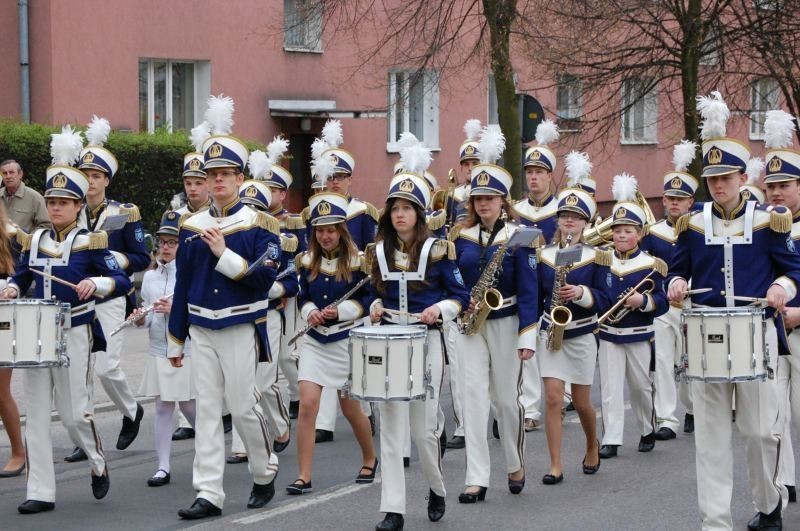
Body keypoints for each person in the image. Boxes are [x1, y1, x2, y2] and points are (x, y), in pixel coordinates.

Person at [667, 92, 800, 530]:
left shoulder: (769, 220)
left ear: (744, 176)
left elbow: (793, 270)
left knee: (762, 434)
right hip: (706, 340)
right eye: (712, 178)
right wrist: (677, 283)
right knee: (710, 440)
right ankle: (716, 522)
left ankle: (768, 504)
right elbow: (678, 269)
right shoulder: (692, 224)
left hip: (758, 337)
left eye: (726, 177)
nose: (718, 185)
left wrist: (781, 289)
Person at [1, 126, 132, 513]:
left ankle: (96, 460)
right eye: (53, 201)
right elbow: (23, 276)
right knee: (37, 416)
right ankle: (40, 491)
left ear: (78, 207)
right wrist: (11, 288)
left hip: (76, 332)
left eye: (64, 202)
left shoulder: (91, 242)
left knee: (75, 416)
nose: (56, 207)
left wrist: (97, 282)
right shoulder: (36, 240)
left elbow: (122, 280)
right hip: (37, 334)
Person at [168, 95, 281, 519]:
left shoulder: (258, 223)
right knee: (209, 412)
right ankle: (209, 493)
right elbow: (183, 285)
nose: (217, 181)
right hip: (201, 328)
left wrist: (223, 254)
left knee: (244, 406)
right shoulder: (190, 225)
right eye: (211, 174)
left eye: (224, 174)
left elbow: (265, 276)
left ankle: (263, 469)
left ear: (239, 177)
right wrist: (175, 338)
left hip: (239, 326)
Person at [368, 165, 469, 531]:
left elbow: (461, 297)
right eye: (395, 208)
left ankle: (437, 488)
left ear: (419, 214)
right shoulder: (378, 252)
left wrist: (438, 310)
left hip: (427, 342)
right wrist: (374, 307)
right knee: (391, 428)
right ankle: (393, 508)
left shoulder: (440, 250)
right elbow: (371, 295)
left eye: (407, 208)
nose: (399, 214)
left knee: (424, 431)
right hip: (392, 342)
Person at [451, 125, 538, 503]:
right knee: (473, 398)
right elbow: (451, 278)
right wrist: (459, 302)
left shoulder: (523, 236)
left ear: (504, 200)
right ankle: (476, 477)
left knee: (505, 400)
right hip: (471, 326)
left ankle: (515, 463)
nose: (483, 203)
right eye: (478, 198)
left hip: (506, 322)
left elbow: (532, 289)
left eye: (490, 198)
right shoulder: (460, 237)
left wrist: (528, 336)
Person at [66, 116, 148, 463]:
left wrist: (112, 259)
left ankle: (132, 412)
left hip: (111, 298)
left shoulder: (124, 213)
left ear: (107, 180)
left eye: (96, 177)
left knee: (106, 368)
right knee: (80, 372)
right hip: (78, 299)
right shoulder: (71, 213)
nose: (90, 183)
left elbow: (142, 256)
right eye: (85, 177)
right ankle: (85, 436)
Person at [288, 191, 376, 495]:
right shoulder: (306, 259)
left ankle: (369, 458)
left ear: (341, 229)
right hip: (315, 341)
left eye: (331, 229)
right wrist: (310, 312)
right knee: (308, 406)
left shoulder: (359, 262)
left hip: (345, 340)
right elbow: (303, 296)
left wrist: (341, 311)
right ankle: (304, 475)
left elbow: (368, 299)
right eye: (320, 230)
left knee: (350, 408)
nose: (325, 236)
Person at [304, 120, 378, 444]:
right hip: (325, 284)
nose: (334, 182)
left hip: (357, 284)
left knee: (359, 358)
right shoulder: (315, 210)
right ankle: (324, 422)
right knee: (320, 346)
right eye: (330, 177)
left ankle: (368, 411)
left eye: (340, 177)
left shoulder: (363, 210)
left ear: (350, 179)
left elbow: (372, 252)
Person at [536, 187, 608, 484]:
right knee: (553, 399)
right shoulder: (543, 256)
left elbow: (605, 298)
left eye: (575, 217)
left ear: (585, 223)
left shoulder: (597, 257)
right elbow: (535, 295)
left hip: (580, 334)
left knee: (581, 402)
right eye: (564, 215)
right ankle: (555, 465)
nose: (569, 221)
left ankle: (592, 443)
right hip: (551, 333)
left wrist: (580, 293)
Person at [597, 174, 667, 459]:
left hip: (638, 334)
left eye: (628, 231)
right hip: (609, 335)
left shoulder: (652, 264)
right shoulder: (602, 259)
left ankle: (646, 428)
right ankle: (611, 438)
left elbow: (662, 302)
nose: (622, 236)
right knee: (611, 388)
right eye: (617, 230)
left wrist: (644, 300)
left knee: (641, 386)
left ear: (639, 234)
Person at [227, 177, 296, 464]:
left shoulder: (281, 240)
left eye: (258, 208)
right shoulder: (232, 237)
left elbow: (292, 283)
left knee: (265, 382)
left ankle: (280, 427)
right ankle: (242, 445)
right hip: (241, 314)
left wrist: (270, 288)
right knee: (241, 383)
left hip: (268, 314)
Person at [640, 141, 698, 441]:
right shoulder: (653, 234)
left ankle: (692, 410)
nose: (674, 203)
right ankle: (666, 419)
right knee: (662, 361)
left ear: (691, 202)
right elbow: (646, 271)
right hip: (664, 308)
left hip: (694, 305)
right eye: (669, 198)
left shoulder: (699, 230)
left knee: (692, 360)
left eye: (680, 198)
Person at [133, 210, 196, 487]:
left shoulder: (190, 275)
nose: (166, 247)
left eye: (173, 242)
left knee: (191, 406)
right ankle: (163, 467)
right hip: (159, 348)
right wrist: (140, 318)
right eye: (163, 242)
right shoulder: (149, 279)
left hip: (185, 348)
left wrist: (175, 309)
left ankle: (209, 451)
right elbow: (146, 322)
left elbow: (199, 313)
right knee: (162, 406)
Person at [760, 109, 800, 528]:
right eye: (771, 185)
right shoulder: (762, 228)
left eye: (785, 185)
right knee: (774, 416)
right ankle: (784, 483)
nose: (777, 193)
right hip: (771, 334)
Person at [511, 119, 561, 433]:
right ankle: (530, 409)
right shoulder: (516, 209)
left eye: (539, 172)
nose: (533, 177)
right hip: (525, 285)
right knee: (528, 346)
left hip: (554, 283)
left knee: (556, 346)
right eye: (529, 172)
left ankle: (560, 393)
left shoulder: (562, 210)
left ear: (549, 176)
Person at [255, 139, 305, 420]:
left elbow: (304, 257)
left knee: (287, 354)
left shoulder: (294, 221)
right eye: (267, 189)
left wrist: (289, 285)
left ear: (284, 194)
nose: (270, 194)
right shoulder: (253, 219)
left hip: (287, 295)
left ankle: (298, 392)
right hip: (263, 295)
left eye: (275, 190)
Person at [170, 133, 212, 441]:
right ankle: (187, 419)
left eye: (199, 182)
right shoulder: (179, 219)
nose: (193, 188)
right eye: (188, 183)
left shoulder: (220, 216)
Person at [0, 201, 25, 477]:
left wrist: (10, 290)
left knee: (0, 390)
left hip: (4, 317)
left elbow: (25, 276)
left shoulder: (12, 234)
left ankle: (19, 451)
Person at [0, 159, 50, 232]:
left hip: (23, 243)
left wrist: (26, 238)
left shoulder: (35, 198)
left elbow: (46, 226)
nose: (8, 176)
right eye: (4, 173)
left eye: (11, 172)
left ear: (20, 174)